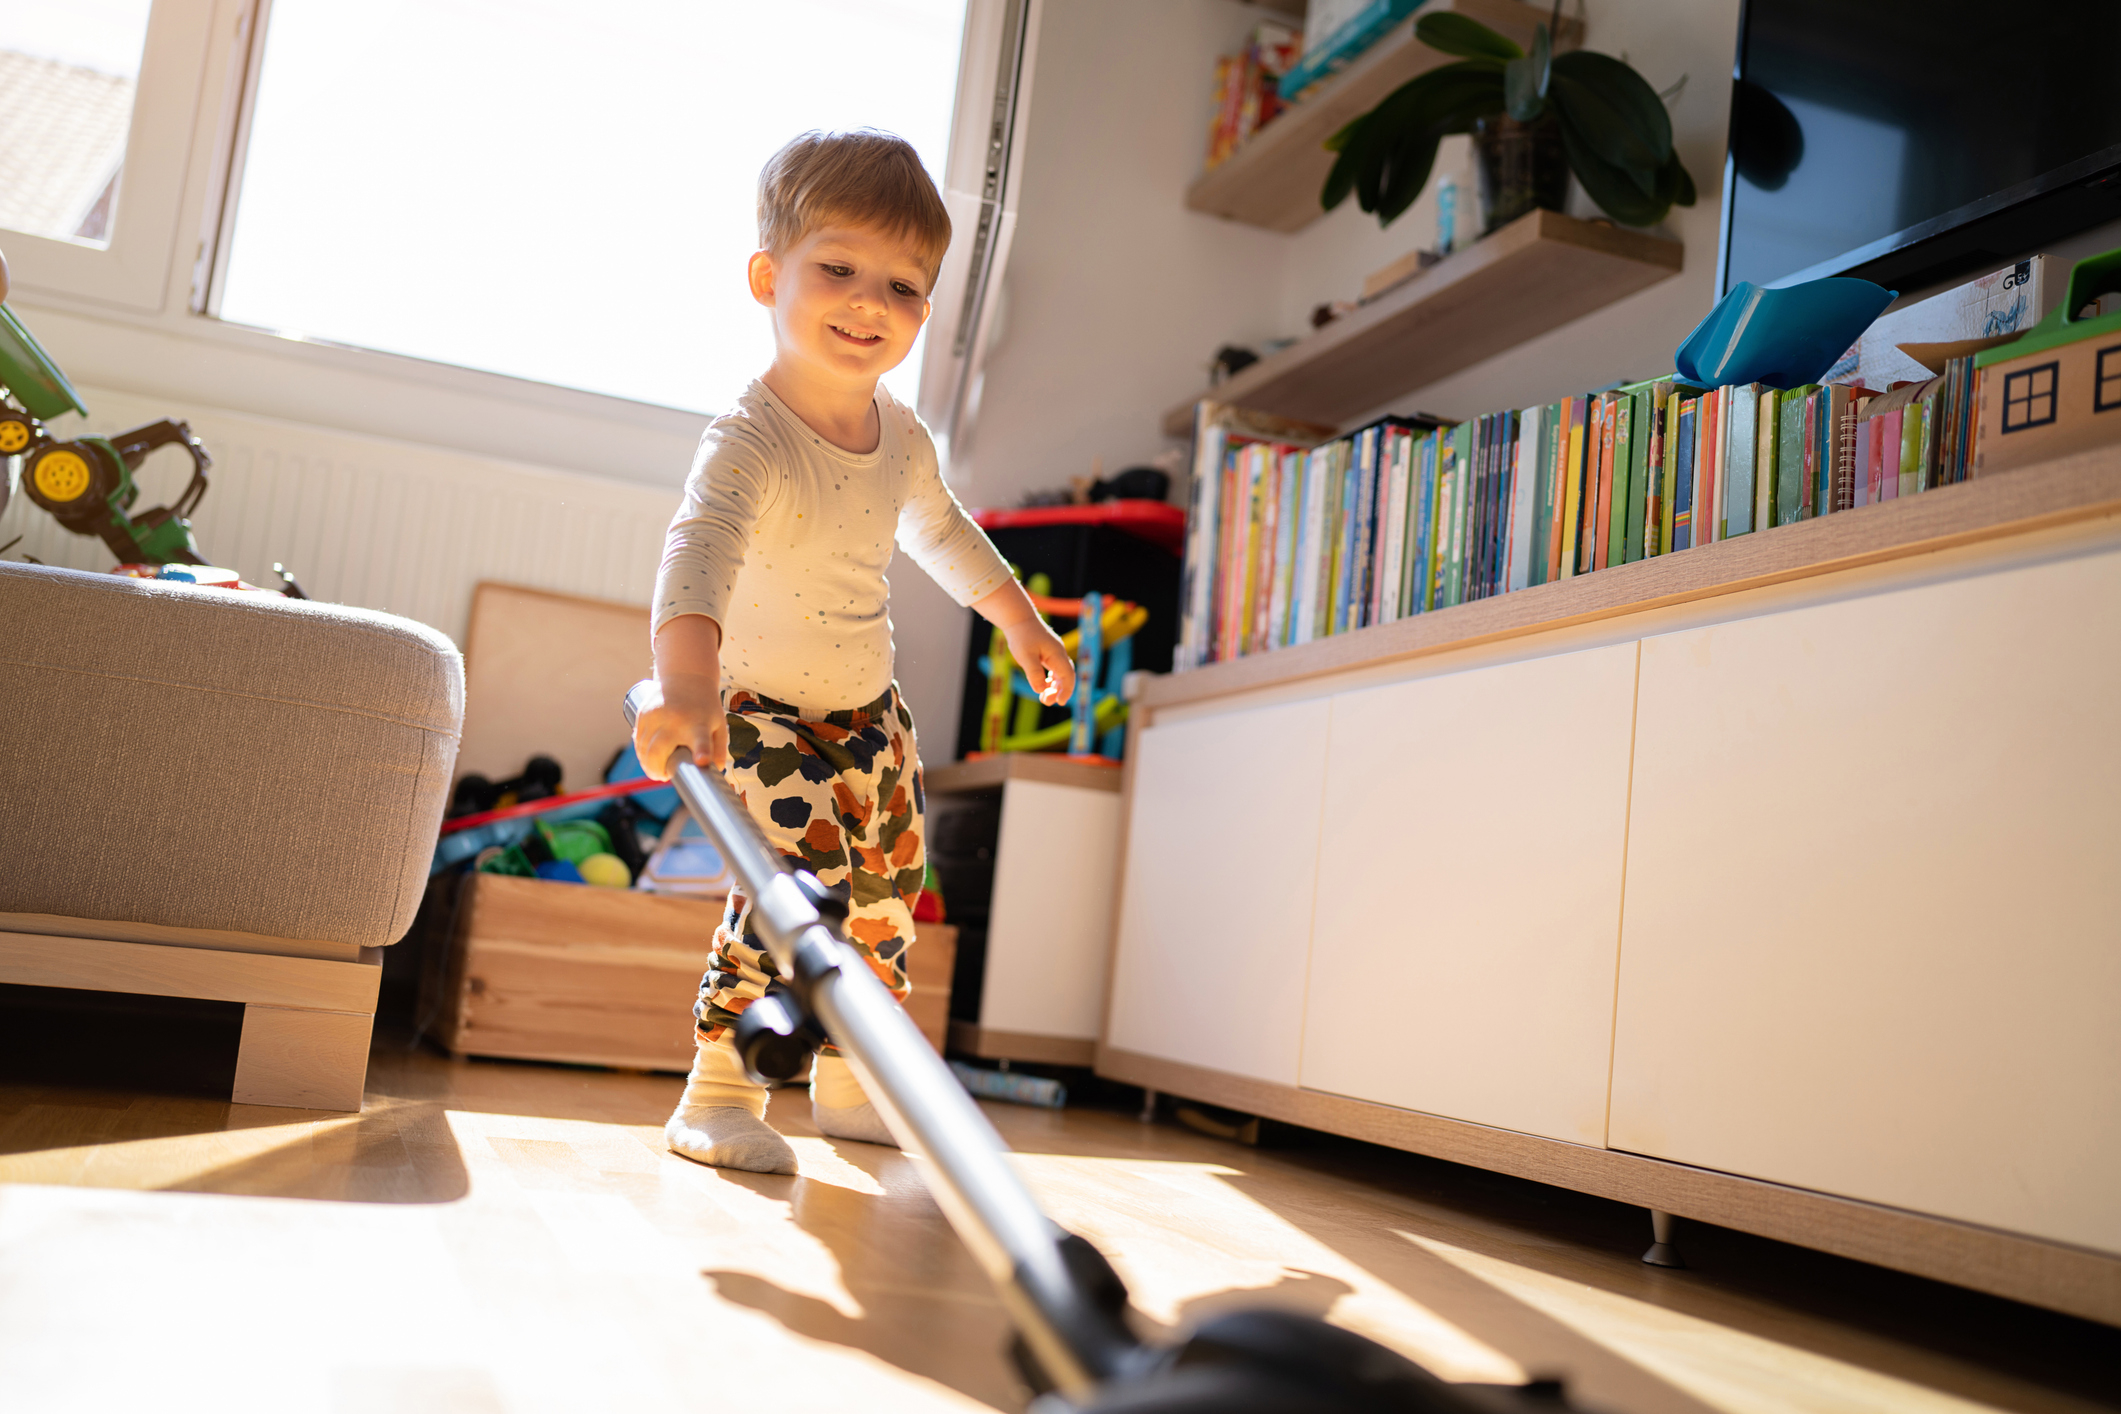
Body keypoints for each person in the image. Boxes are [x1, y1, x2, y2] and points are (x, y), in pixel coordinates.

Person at [630, 129, 1073, 1174]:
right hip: (760, 714)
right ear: (767, 276)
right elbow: (696, 560)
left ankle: (846, 1075)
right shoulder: (750, 438)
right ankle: (722, 1087)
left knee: (882, 900)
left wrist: (1020, 620)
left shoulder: (902, 438)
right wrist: (688, 690)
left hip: (871, 718)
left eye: (905, 286)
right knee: (799, 892)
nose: (870, 302)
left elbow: (946, 535)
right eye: (838, 269)